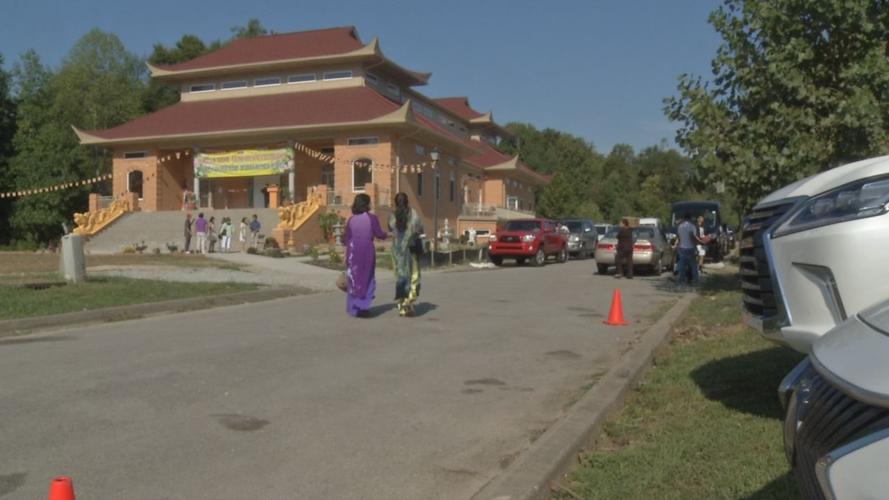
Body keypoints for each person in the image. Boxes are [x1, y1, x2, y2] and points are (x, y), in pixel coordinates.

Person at [344, 193, 387, 317]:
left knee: (354, 277)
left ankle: (354, 308)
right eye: (369, 202)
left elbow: (347, 238)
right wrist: (387, 235)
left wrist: (345, 254)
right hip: (366, 250)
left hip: (352, 251)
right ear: (366, 204)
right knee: (367, 277)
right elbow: (379, 234)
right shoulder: (371, 218)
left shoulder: (351, 220)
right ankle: (362, 307)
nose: (371, 204)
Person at [388, 192, 424, 317]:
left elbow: (391, 228)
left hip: (397, 251)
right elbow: (419, 229)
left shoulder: (392, 215)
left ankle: (402, 306)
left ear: (396, 202)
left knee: (400, 277)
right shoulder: (413, 214)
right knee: (413, 275)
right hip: (411, 249)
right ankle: (409, 301)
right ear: (407, 201)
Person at [676, 213, 703, 287]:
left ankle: (681, 280)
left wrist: (678, 247)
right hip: (690, 248)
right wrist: (696, 246)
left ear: (684, 218)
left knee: (682, 265)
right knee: (693, 265)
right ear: (690, 218)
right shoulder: (691, 226)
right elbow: (692, 237)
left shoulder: (680, 226)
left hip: (681, 248)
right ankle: (695, 280)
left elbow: (679, 238)